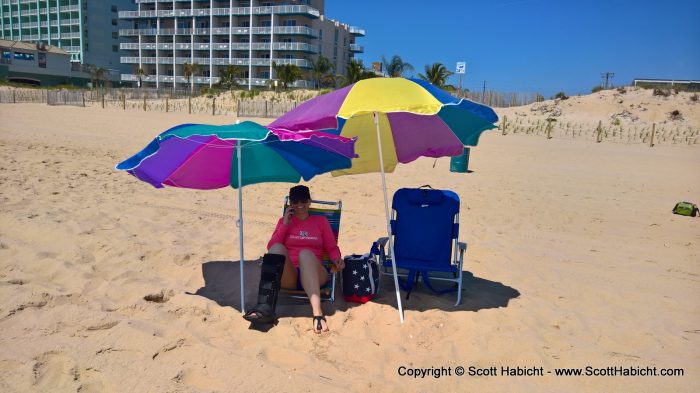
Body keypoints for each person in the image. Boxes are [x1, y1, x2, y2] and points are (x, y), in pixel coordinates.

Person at [243, 185, 344, 333]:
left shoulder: (321, 221)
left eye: (303, 200)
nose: (299, 205)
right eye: (295, 201)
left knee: (305, 254)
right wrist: (284, 225)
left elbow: (331, 247)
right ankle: (264, 309)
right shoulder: (284, 221)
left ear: (309, 201)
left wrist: (337, 259)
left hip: (315, 274)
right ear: (290, 204)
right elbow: (271, 247)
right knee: (277, 248)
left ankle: (317, 315)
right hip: (290, 277)